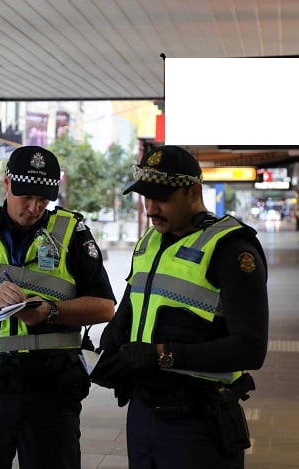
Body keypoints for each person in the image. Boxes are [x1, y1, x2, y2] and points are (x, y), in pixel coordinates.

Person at [0, 145, 116, 469]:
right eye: (26, 197)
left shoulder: (71, 231)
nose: (34, 208)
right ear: (6, 184)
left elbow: (104, 307)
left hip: (51, 392)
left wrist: (51, 311)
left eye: (43, 200)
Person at [92, 145, 269, 468]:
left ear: (193, 191)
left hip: (199, 421)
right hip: (143, 414)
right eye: (145, 197)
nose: (151, 208)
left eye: (162, 198)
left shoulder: (232, 250)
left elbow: (251, 348)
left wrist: (159, 354)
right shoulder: (150, 241)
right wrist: (113, 347)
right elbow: (132, 307)